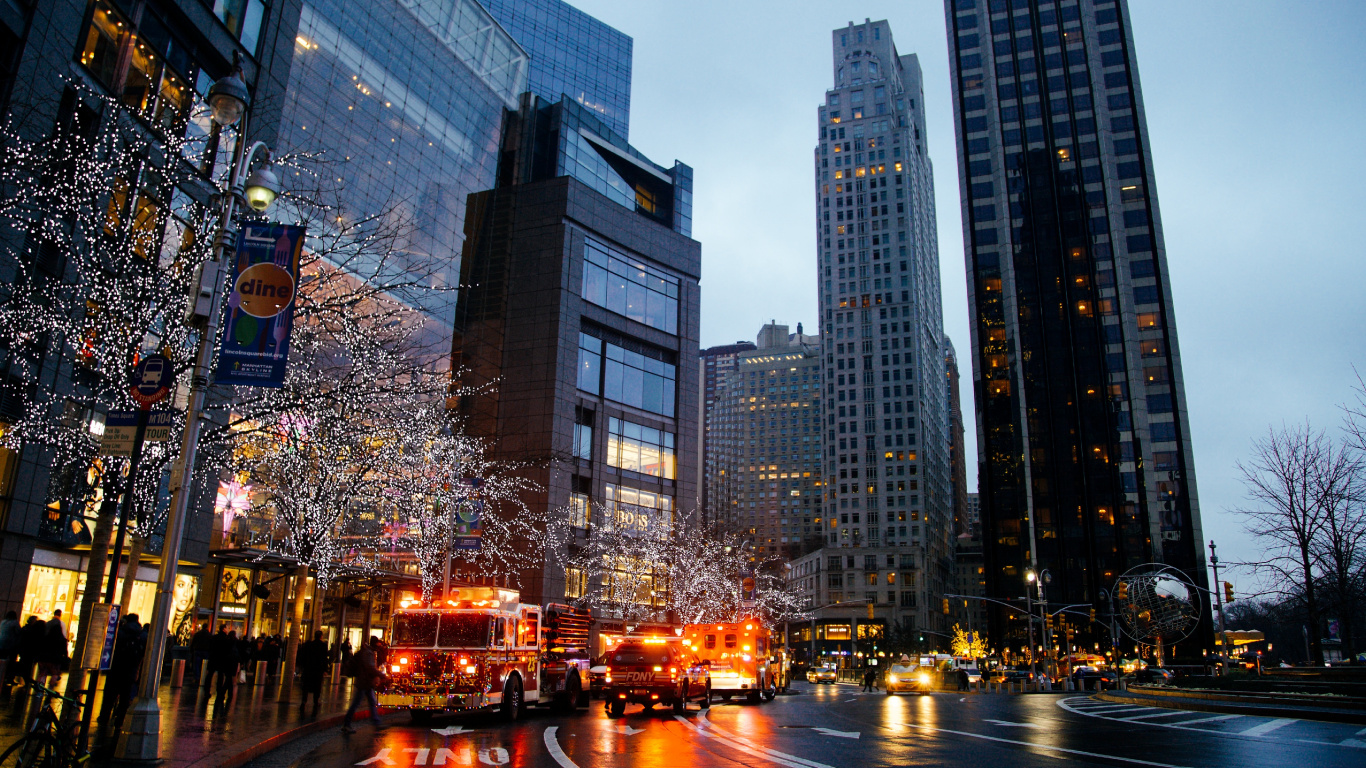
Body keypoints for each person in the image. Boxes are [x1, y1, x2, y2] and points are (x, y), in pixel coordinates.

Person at [98, 614, 145, 733]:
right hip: (130, 670)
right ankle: (120, 721)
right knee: (125, 697)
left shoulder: (120, 632)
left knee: (110, 695)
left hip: (116, 668)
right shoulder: (141, 634)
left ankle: (104, 718)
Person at [341, 636, 384, 733]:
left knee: (371, 702)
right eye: (377, 643)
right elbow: (370, 668)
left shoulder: (368, 652)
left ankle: (376, 723)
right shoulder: (368, 653)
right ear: (374, 643)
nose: (379, 645)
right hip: (364, 682)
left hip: (366, 682)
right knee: (357, 703)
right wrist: (381, 675)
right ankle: (347, 724)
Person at [297, 631, 329, 715]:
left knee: (306, 686)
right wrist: (325, 669)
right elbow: (324, 658)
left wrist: (303, 666)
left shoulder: (309, 645)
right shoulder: (323, 646)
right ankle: (315, 701)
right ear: (321, 636)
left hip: (308, 668)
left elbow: (303, 655)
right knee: (317, 686)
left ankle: (304, 701)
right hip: (317, 669)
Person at [36, 610, 69, 688]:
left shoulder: (46, 637)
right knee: (55, 674)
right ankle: (50, 688)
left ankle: (39, 688)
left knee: (43, 673)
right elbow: (64, 650)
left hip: (44, 657)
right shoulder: (61, 639)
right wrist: (65, 657)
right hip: (55, 659)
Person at [211, 627, 240, 709]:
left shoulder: (226, 641)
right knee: (229, 678)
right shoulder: (235, 642)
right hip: (233, 662)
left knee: (228, 677)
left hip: (226, 661)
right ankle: (224, 693)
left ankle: (227, 693)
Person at [17, 616, 44, 686]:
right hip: (28, 651)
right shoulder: (33, 631)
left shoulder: (25, 629)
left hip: (25, 650)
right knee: (28, 666)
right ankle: (28, 680)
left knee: (25, 666)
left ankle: (27, 680)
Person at [0, 611, 19, 688]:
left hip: (1, 644)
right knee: (11, 662)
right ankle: (9, 678)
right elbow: (18, 632)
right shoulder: (15, 623)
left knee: (2, 660)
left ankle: (2, 676)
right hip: (10, 645)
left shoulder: (3, 622)